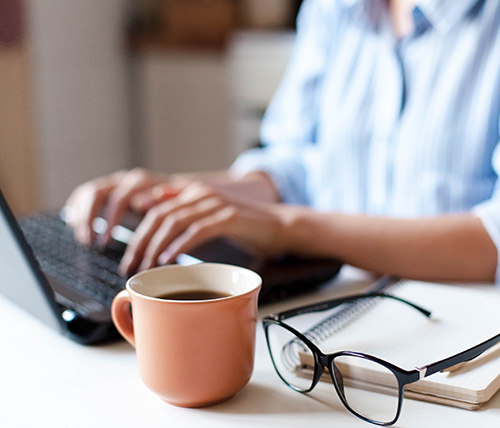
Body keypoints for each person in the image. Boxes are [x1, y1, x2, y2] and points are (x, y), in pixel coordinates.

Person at [65, 0, 500, 283]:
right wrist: (173, 195)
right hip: (337, 313)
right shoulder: (333, 9)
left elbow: (492, 243)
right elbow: (296, 164)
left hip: (462, 344)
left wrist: (286, 227)